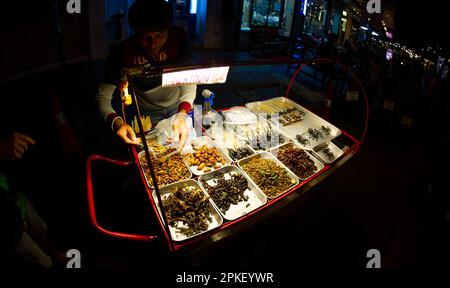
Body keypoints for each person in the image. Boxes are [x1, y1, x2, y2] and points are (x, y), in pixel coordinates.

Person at [96, 0, 196, 149]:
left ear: (169, 27)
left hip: (179, 105)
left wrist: (182, 113)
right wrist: (117, 122)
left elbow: (189, 78)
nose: (153, 44)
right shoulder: (122, 52)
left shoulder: (178, 39)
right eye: (145, 37)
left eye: (160, 35)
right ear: (134, 30)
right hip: (146, 114)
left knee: (185, 147)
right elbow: (102, 96)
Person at [0, 130, 66, 268]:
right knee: (43, 262)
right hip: (6, 221)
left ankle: (58, 257)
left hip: (10, 192)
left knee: (39, 228)